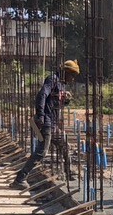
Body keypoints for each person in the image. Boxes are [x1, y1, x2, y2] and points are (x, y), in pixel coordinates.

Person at [13, 59, 78, 187]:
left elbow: (55, 103)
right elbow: (42, 95)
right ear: (66, 72)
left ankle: (68, 172)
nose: (72, 79)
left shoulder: (61, 85)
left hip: (52, 123)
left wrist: (65, 100)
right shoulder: (53, 80)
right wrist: (40, 115)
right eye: (72, 75)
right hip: (46, 122)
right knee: (41, 152)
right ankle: (20, 179)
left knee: (65, 145)